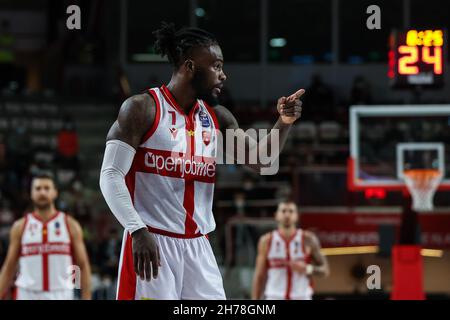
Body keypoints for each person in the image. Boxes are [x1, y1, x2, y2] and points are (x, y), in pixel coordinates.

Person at [99, 22, 304, 300]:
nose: (223, 75)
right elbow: (111, 174)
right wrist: (136, 230)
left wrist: (284, 121)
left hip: (199, 246)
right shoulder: (141, 109)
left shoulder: (218, 117)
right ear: (189, 67)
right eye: (216, 66)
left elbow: (263, 161)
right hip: (152, 240)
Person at [0, 173, 91, 300]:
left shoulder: (70, 225)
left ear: (55, 192)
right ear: (31, 193)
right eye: (37, 188)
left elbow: (83, 264)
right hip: (27, 294)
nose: (42, 192)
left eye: (47, 188)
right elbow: (9, 266)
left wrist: (86, 297)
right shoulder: (20, 226)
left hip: (62, 293)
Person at [252, 201, 329, 300]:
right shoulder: (266, 241)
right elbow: (259, 276)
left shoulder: (308, 239)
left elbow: (325, 270)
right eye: (283, 211)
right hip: (274, 296)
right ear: (276, 215)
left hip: (301, 296)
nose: (287, 215)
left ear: (297, 216)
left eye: (291, 211)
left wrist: (307, 268)